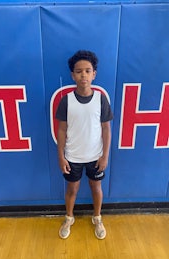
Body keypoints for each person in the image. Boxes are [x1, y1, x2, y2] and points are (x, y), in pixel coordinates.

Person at [56, 50, 113, 240]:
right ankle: (69, 217)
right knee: (72, 189)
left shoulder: (100, 99)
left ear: (94, 74)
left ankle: (97, 217)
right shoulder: (66, 101)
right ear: (72, 75)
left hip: (95, 156)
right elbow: (62, 130)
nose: (83, 75)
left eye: (88, 71)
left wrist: (104, 156)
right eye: (79, 71)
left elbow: (106, 129)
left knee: (96, 187)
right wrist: (61, 156)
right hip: (73, 157)